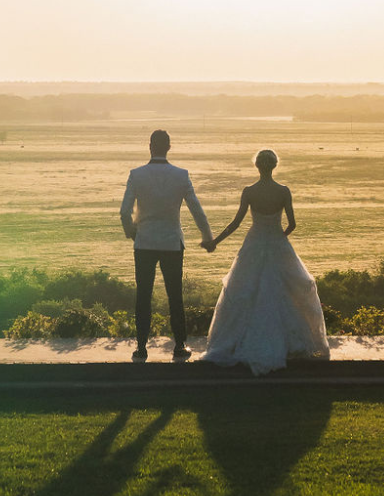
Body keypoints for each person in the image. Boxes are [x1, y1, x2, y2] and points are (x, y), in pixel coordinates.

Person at [202, 149, 330, 375]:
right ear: (274, 166)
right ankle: (287, 343)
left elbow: (236, 223)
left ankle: (243, 340)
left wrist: (215, 242)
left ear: (257, 166)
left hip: (254, 243)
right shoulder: (283, 191)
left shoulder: (249, 191)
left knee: (246, 291)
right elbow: (292, 224)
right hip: (277, 243)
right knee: (284, 292)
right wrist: (279, 239)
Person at [120, 129, 213, 362]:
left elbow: (124, 211)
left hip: (144, 242)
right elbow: (196, 210)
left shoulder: (136, 174)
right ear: (169, 147)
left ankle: (141, 348)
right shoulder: (181, 175)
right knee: (175, 295)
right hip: (172, 242)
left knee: (143, 295)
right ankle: (180, 345)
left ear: (149, 146)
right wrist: (207, 236)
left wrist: (131, 231)